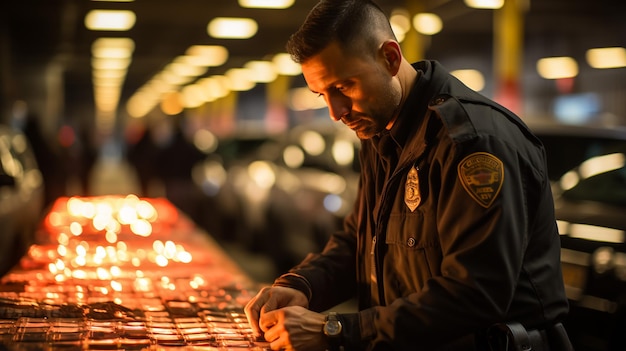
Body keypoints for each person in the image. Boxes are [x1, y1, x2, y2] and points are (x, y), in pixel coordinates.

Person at [244, 0, 571, 350]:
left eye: (343, 87)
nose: (336, 112)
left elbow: (474, 294)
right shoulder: (379, 130)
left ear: (390, 58)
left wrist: (337, 330)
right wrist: (300, 286)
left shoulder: (473, 144)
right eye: (322, 94)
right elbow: (360, 241)